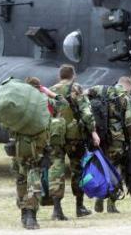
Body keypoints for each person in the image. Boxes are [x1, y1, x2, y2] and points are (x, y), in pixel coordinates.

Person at [48, 65, 100, 220]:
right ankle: (79, 207)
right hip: (74, 136)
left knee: (56, 168)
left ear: (60, 76)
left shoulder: (51, 90)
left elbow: (47, 112)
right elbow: (86, 111)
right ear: (73, 76)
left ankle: (57, 209)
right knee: (78, 169)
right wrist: (93, 131)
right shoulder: (75, 88)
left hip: (56, 135)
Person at [87, 77, 131, 213]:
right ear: (128, 87)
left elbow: (84, 94)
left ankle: (100, 197)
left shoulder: (101, 89)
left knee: (103, 166)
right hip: (117, 140)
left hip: (100, 138)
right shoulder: (127, 98)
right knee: (115, 169)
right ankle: (111, 204)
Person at [16, 77, 68, 229]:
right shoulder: (44, 100)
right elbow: (63, 103)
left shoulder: (19, 102)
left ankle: (24, 214)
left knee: (21, 179)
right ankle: (31, 216)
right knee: (33, 178)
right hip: (37, 145)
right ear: (39, 87)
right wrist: (50, 93)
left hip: (20, 145)